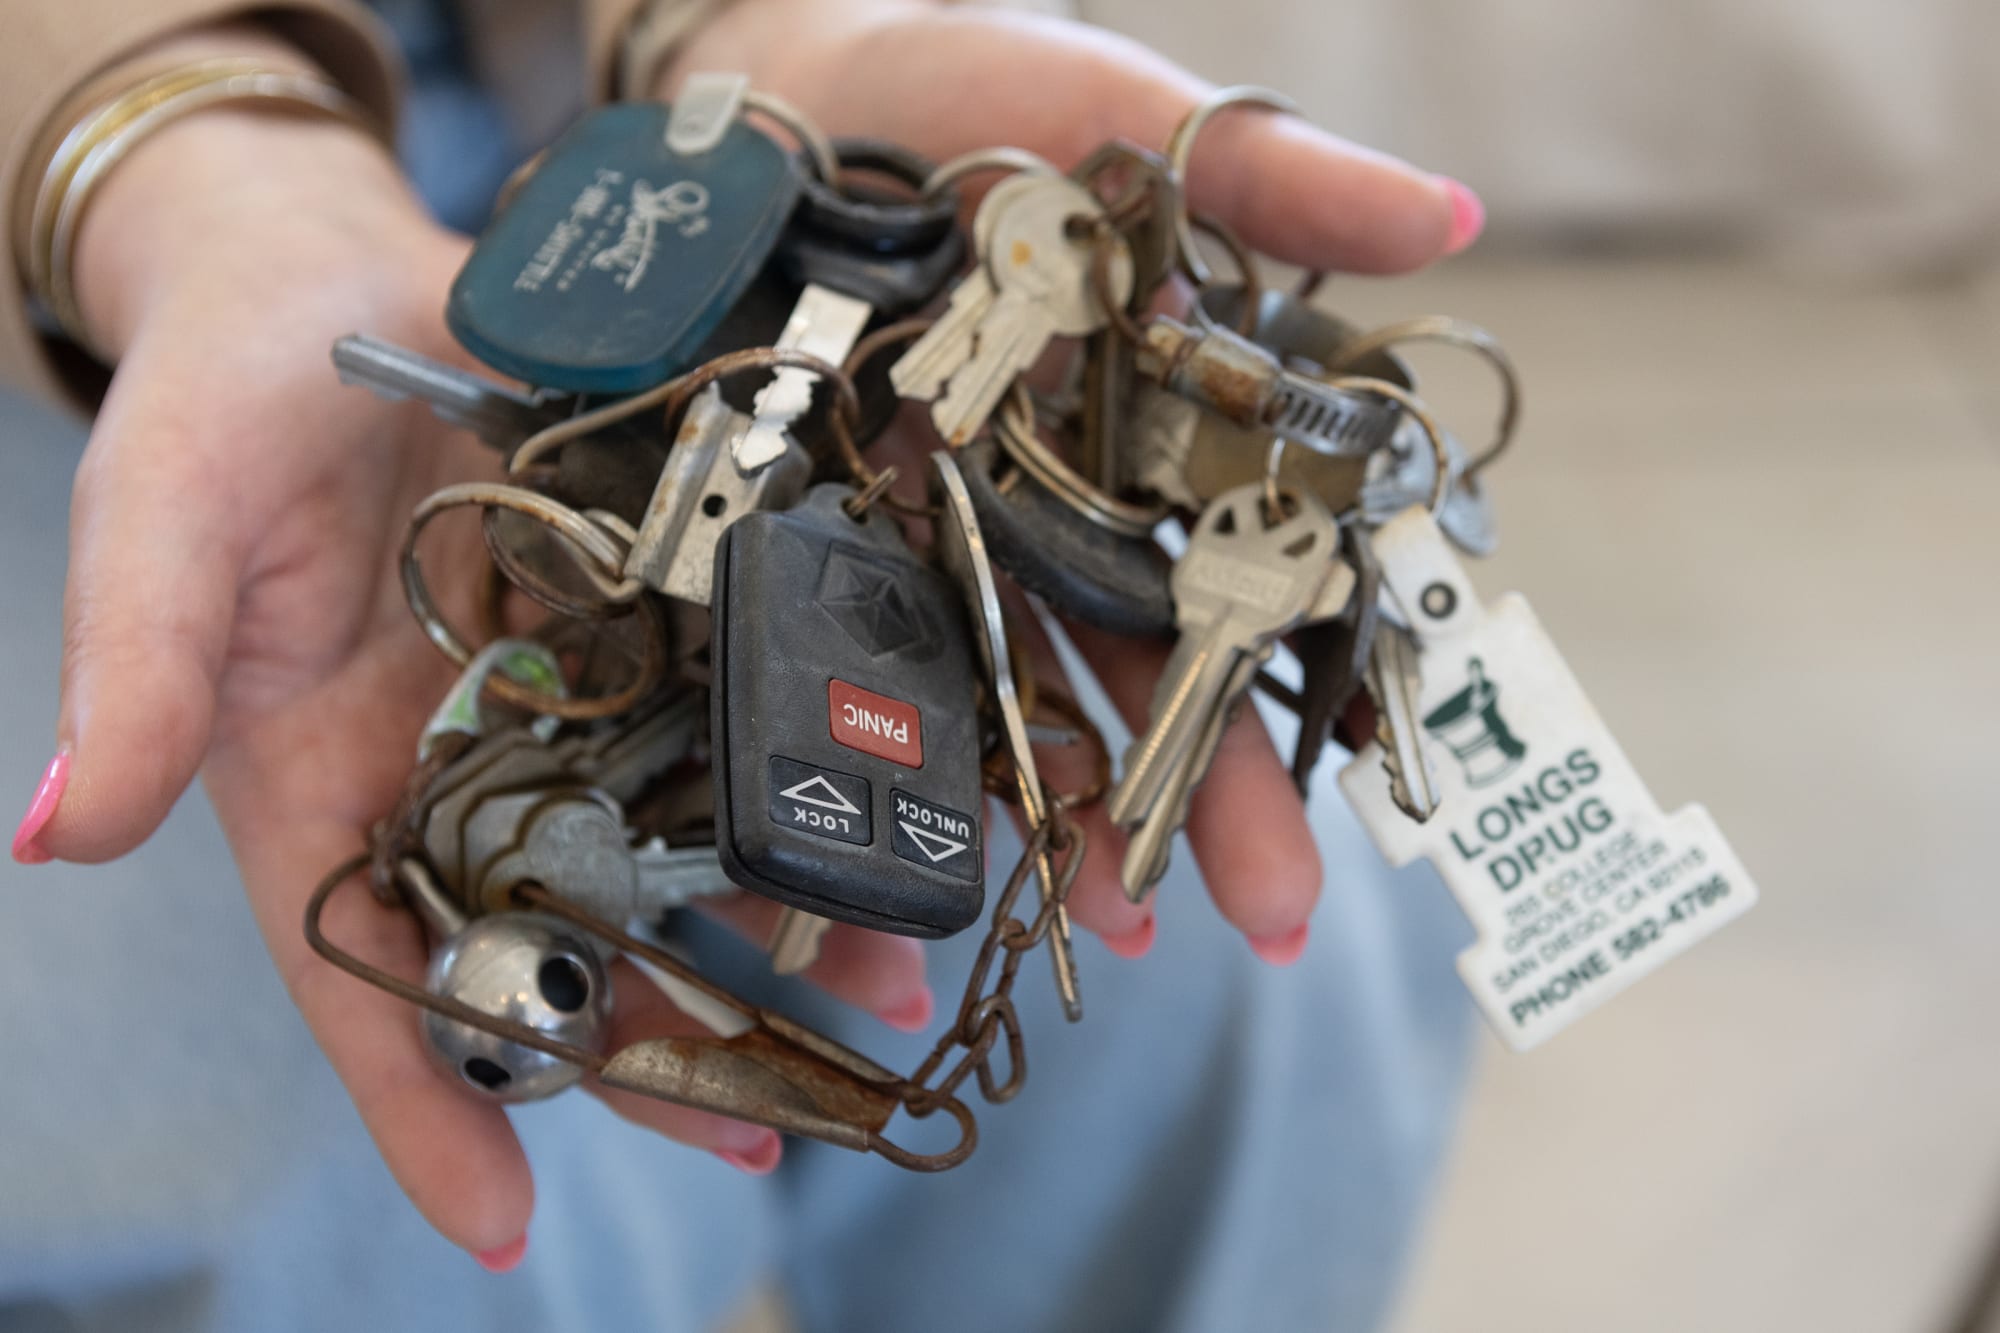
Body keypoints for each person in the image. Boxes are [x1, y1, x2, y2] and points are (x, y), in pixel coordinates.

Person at [0, 1, 1484, 1328]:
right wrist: (171, 156)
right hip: (103, 284)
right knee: (299, 1188)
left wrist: (756, 21)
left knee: (1277, 969)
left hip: (673, 192)